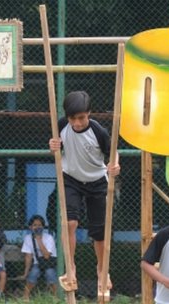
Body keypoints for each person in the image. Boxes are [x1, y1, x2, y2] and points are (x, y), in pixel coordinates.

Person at [48, 90, 120, 292]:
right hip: (71, 178)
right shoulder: (61, 124)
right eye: (73, 118)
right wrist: (52, 146)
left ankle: (102, 270)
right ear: (67, 116)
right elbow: (56, 148)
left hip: (97, 181)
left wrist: (114, 165)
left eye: (81, 118)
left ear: (89, 113)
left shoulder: (99, 132)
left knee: (99, 232)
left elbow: (113, 153)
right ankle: (70, 267)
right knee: (69, 222)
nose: (77, 123)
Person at [21, 215, 57, 301]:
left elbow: (47, 256)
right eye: (35, 225)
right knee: (33, 273)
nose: (37, 227)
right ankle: (25, 297)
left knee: (50, 273)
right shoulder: (28, 238)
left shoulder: (49, 238)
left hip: (50, 263)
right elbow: (28, 256)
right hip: (38, 263)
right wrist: (26, 272)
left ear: (43, 227)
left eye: (40, 225)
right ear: (30, 227)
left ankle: (57, 296)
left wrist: (39, 240)